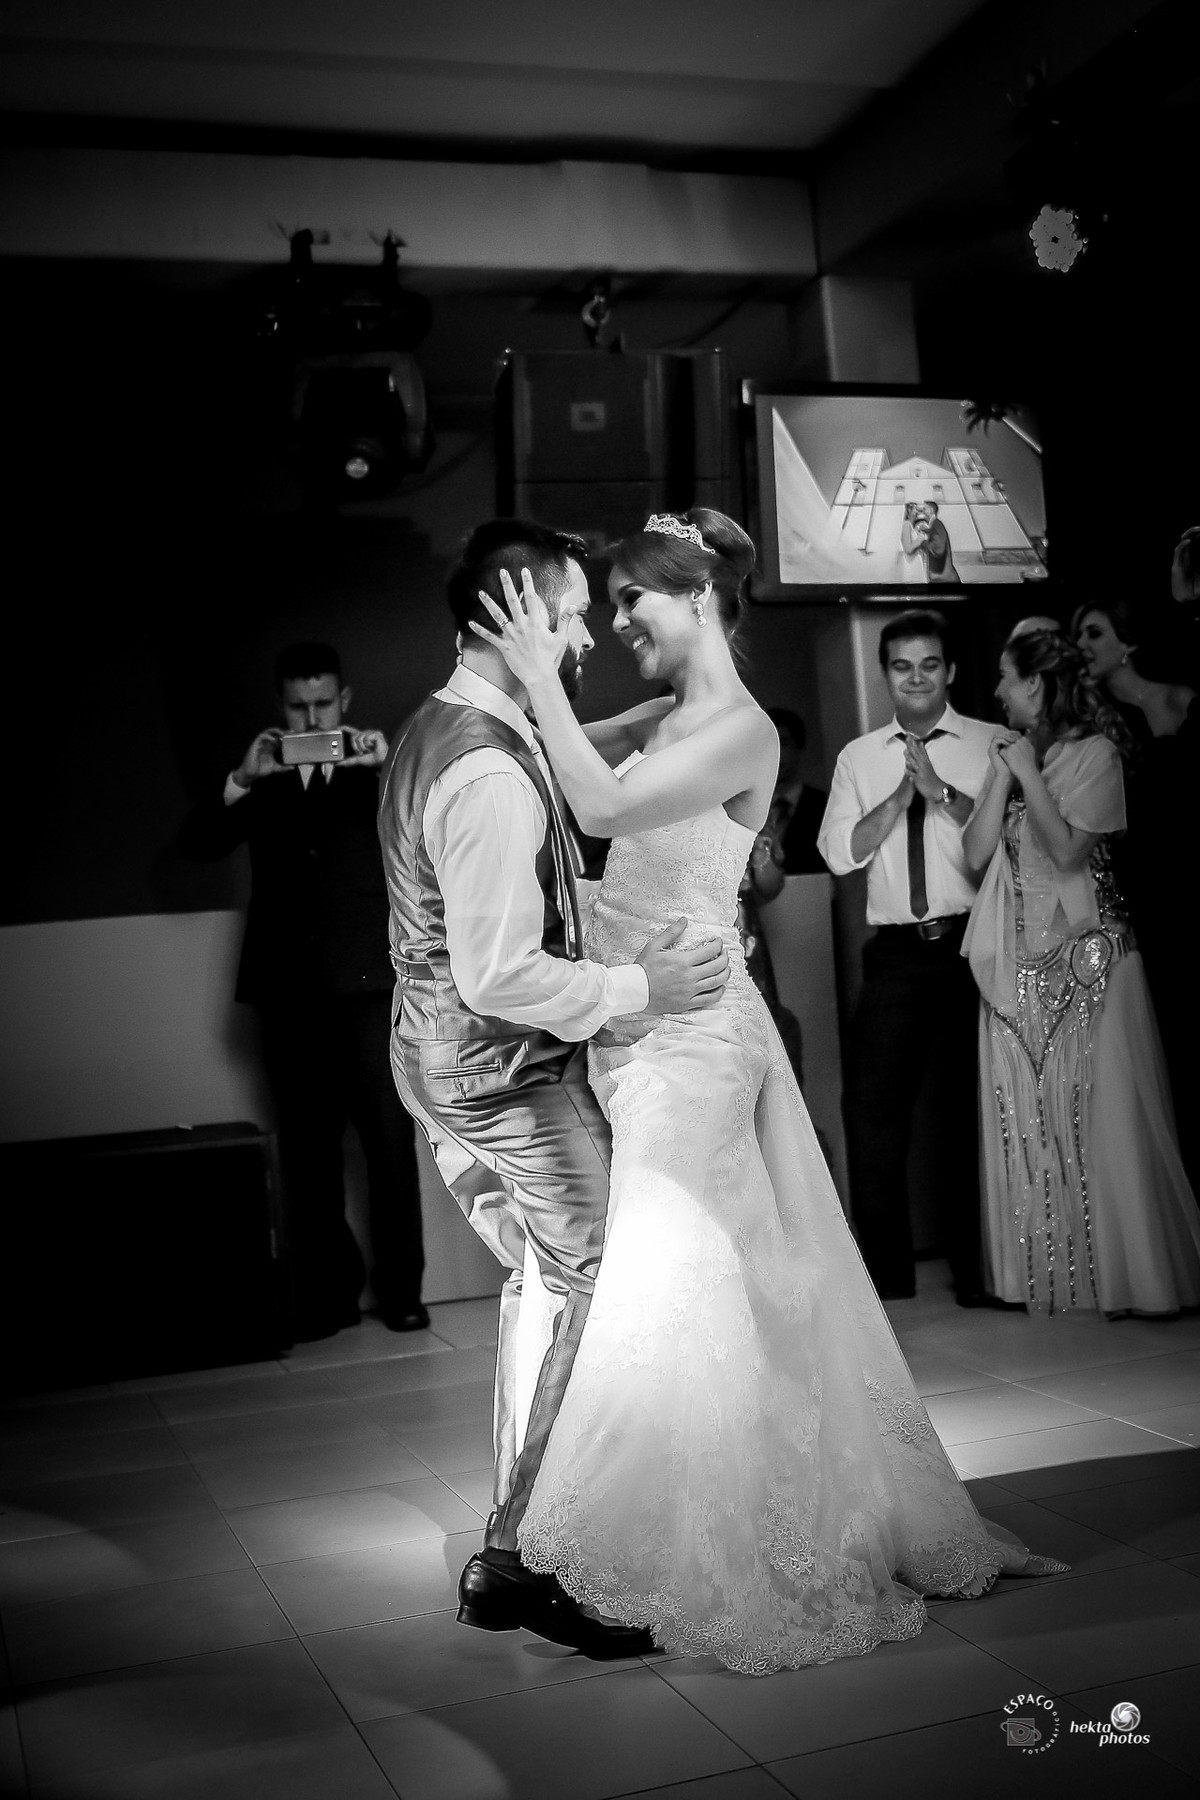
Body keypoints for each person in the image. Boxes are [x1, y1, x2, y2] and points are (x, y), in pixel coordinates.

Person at [471, 510, 1063, 1678]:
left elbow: (591, 808)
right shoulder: (679, 715)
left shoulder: (740, 728)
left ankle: (653, 1537)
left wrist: (536, 673)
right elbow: (565, 765)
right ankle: (701, 1504)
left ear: (692, 599)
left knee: (663, 1277)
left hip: (694, 1040)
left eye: (631, 598)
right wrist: (546, 704)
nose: (616, 619)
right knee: (706, 1280)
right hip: (649, 1024)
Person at [377, 518, 731, 1662]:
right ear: (517, 613)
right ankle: (524, 1556)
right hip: (504, 1079)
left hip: (435, 1062)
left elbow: (563, 751)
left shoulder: (449, 725)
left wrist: (660, 724)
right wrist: (645, 985)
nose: (587, 635)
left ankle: (554, 1524)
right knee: (602, 1293)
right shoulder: (486, 773)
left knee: (544, 1294)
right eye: (574, 611)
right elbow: (498, 971)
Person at [178, 642, 427, 1342]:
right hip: (289, 993)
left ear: (343, 702)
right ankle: (329, 1297)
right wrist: (240, 777)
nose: (311, 716)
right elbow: (196, 844)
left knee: (387, 1144)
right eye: (297, 707)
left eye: (322, 705)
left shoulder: (381, 773)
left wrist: (390, 768)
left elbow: (432, 838)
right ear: (280, 708)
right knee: (309, 1152)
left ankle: (403, 1293)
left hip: (371, 987)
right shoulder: (263, 779)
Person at [962, 629, 1200, 1314]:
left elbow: (1068, 854)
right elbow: (978, 854)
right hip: (1022, 961)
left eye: (1007, 678)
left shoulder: (1096, 755)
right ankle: (1061, 1277)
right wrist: (1004, 774)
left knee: (1104, 1119)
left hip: (1089, 955)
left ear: (1035, 685)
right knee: (1035, 1119)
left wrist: (1029, 774)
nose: (1000, 691)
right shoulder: (1007, 755)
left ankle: (1135, 1281)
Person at [817, 611, 999, 1306]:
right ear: (885, 673)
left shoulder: (991, 744)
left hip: (971, 944)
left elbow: (1013, 845)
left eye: (929, 664)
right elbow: (840, 854)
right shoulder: (860, 759)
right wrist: (899, 794)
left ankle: (980, 1279)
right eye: (902, 666)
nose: (916, 677)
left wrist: (942, 795)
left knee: (969, 1112)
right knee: (872, 1111)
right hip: (896, 952)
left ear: (949, 671)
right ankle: (887, 1280)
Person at [1071, 596, 1199, 1191]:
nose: (1084, 645)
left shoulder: (1185, 699)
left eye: (1095, 633)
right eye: (1079, 635)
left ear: (1129, 642)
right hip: (1144, 894)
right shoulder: (1093, 721)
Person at [735, 709, 827, 1087]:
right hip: (681, 927)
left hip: (742, 929)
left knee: (766, 1030)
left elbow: (769, 885)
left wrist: (761, 855)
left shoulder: (743, 793)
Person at [901, 501, 959, 585]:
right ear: (909, 511)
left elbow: (938, 549)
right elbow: (908, 549)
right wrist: (923, 535)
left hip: (942, 576)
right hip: (934, 574)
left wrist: (923, 542)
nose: (921, 511)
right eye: (916, 509)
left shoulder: (937, 524)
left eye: (924, 509)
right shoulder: (909, 525)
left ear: (930, 510)